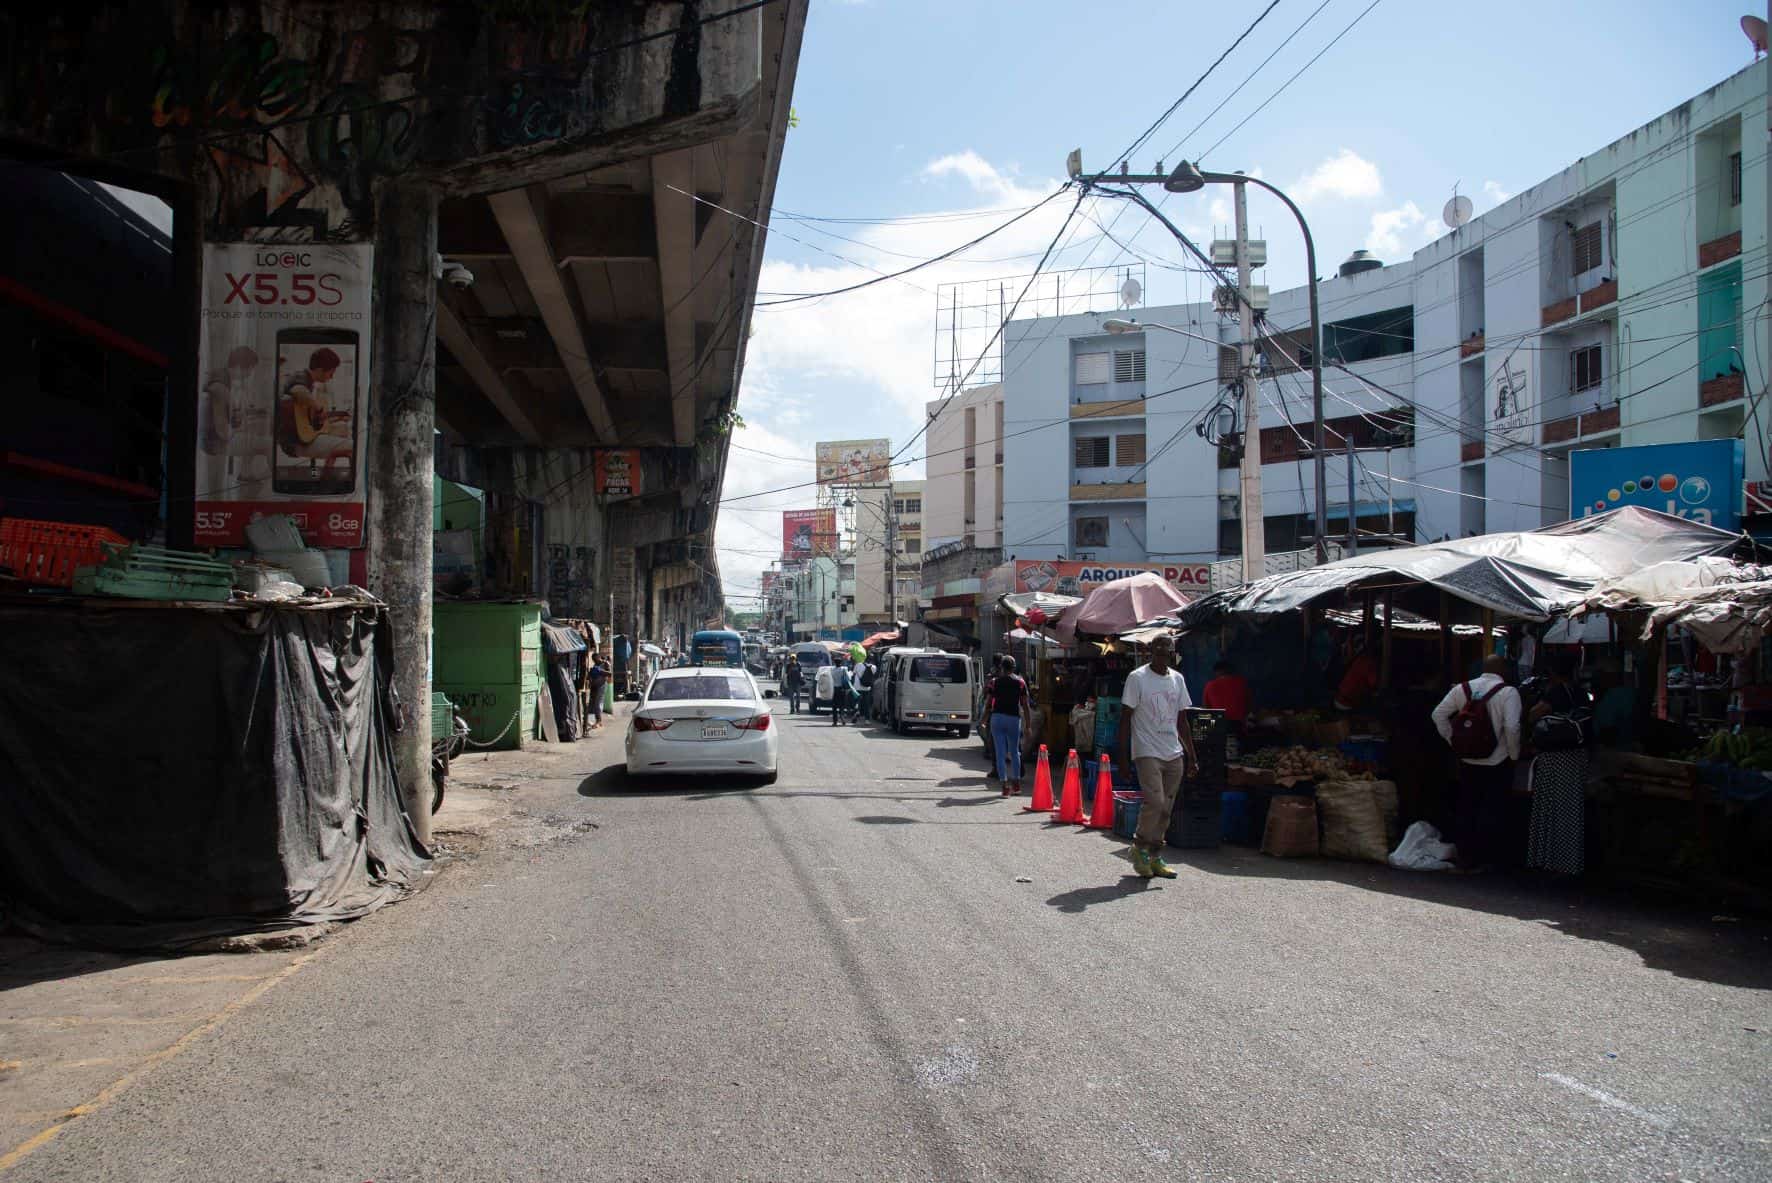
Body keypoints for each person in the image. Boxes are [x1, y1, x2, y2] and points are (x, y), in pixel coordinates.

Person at [1431, 653, 1523, 872]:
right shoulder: (1509, 692)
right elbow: (1512, 727)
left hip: (1467, 760)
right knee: (1493, 809)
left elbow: (1438, 714)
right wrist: (1514, 754)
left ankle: (1466, 856)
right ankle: (1488, 859)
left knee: (1467, 808)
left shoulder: (1462, 688)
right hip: (1497, 761)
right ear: (1503, 671)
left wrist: (1453, 741)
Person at [1118, 634, 1199, 879]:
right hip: (1146, 750)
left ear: (1173, 653)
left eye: (1168, 649)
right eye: (1159, 649)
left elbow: (1182, 721)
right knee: (1155, 801)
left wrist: (1192, 755)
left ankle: (1155, 855)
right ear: (1150, 651)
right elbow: (1125, 720)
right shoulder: (1137, 678)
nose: (1164, 653)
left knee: (1166, 808)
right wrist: (1122, 757)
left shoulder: (1178, 680)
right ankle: (1139, 847)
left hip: (1173, 751)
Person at [1526, 655, 1590, 876]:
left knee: (1549, 807)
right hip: (1577, 757)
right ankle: (1570, 860)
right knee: (1571, 809)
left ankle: (1548, 858)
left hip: (1554, 757)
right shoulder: (1582, 693)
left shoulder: (1553, 692)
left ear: (1553, 673)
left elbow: (1534, 715)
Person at [989, 656, 1032, 795]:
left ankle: (1004, 787)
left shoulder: (994, 682)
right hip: (1013, 719)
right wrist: (1028, 726)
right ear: (1013, 667)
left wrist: (983, 719)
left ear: (1001, 667)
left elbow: (989, 703)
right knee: (1014, 752)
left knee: (1000, 753)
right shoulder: (1020, 682)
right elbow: (1025, 705)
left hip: (997, 718)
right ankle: (1017, 784)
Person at [1201, 659, 1251, 725]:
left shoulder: (1210, 685)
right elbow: (1248, 706)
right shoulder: (1241, 683)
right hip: (1239, 725)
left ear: (1217, 672)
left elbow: (1206, 709)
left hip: (1219, 725)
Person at [1334, 640, 1379, 712]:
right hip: (1346, 703)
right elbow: (1373, 685)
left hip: (1338, 698)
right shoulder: (1369, 664)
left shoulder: (1358, 659)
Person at [587, 654, 610, 729]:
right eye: (593, 659)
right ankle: (597, 721)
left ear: (599, 657)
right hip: (595, 686)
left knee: (597, 704)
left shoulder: (605, 663)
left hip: (601, 686)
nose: (594, 660)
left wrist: (600, 671)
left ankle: (599, 721)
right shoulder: (595, 665)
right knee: (594, 704)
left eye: (595, 658)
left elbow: (609, 674)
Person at [831, 658, 853, 726]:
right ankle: (843, 719)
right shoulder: (844, 670)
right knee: (842, 706)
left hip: (834, 689)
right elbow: (848, 678)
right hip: (842, 689)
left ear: (835, 663)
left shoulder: (832, 670)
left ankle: (835, 721)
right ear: (841, 663)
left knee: (834, 706)